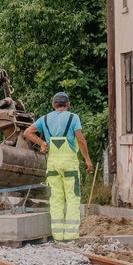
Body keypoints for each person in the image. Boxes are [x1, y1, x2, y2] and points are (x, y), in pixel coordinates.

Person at [23, 92, 93, 242]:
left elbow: (27, 132)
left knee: (56, 199)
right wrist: (87, 159)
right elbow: (80, 140)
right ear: (67, 104)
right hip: (69, 164)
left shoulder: (45, 119)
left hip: (53, 164)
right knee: (72, 198)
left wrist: (42, 143)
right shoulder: (73, 118)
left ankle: (57, 235)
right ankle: (71, 235)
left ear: (53, 105)